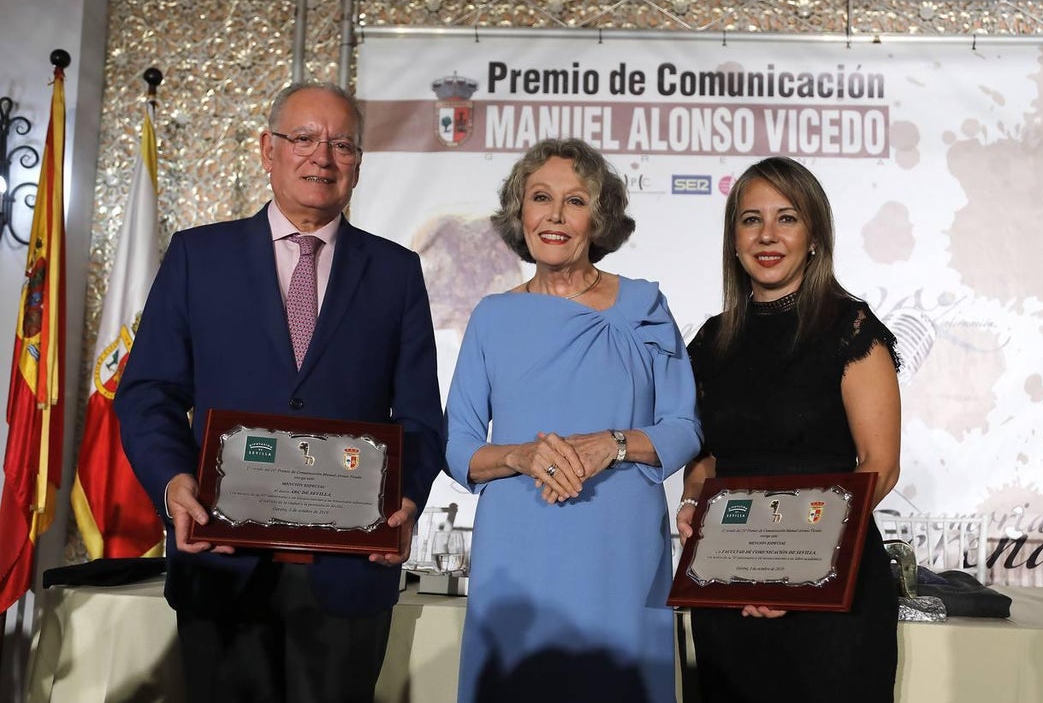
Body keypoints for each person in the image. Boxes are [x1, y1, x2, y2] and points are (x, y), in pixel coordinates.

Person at [115, 82, 445, 703]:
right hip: (221, 560)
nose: (322, 156)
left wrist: (406, 501)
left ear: (358, 165)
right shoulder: (196, 257)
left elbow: (421, 417)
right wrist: (172, 481)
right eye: (304, 138)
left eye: (342, 144)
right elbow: (149, 392)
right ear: (268, 150)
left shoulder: (396, 272)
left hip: (349, 575)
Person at [445, 138, 701, 703]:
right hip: (519, 545)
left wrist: (611, 444)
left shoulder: (643, 308)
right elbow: (459, 444)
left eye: (575, 200)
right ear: (521, 214)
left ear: (599, 216)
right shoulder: (493, 317)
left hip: (619, 545)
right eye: (541, 198)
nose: (555, 216)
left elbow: (684, 428)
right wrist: (519, 455)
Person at [677, 156, 901, 703]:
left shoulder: (850, 327)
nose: (768, 235)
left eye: (787, 218)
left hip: (831, 588)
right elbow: (707, 457)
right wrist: (689, 502)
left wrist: (798, 570)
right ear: (734, 239)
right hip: (729, 583)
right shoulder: (711, 340)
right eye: (751, 219)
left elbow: (880, 463)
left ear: (815, 235)